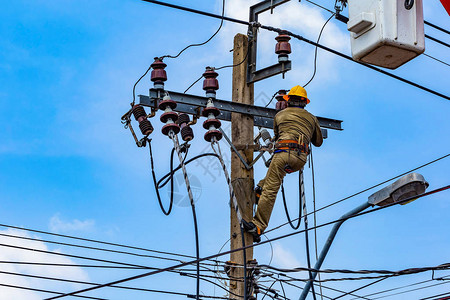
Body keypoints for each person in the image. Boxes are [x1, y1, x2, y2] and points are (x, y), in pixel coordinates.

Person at [242, 85, 323, 243]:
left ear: (288, 101)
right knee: (274, 178)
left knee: (271, 190)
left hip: (282, 153)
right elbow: (318, 142)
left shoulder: (280, 115)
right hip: (300, 159)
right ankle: (260, 189)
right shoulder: (312, 118)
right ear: (305, 102)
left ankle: (258, 225)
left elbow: (278, 135)